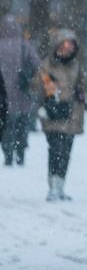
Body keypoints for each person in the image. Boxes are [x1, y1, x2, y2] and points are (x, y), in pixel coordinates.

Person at [39, 29, 87, 201]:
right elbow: (39, 85)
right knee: (55, 150)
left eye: (70, 45)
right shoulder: (47, 65)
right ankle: (53, 185)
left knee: (66, 151)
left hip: (71, 114)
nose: (67, 49)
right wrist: (50, 97)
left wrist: (82, 95)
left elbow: (83, 84)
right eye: (64, 44)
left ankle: (60, 185)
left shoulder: (76, 65)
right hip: (53, 114)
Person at [0, 15, 39, 167]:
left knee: (6, 127)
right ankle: (20, 153)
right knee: (21, 126)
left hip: (3, 96)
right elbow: (36, 63)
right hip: (22, 93)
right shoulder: (24, 45)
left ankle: (8, 154)